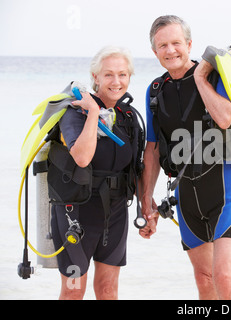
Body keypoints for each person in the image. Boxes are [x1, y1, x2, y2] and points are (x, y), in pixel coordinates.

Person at [139, 15, 231, 300]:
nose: (170, 50)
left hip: (225, 185)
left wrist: (199, 77)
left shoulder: (215, 75)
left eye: (176, 43)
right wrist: (146, 199)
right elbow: (152, 149)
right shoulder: (155, 91)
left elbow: (225, 117)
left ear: (189, 44)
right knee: (204, 278)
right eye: (163, 45)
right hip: (186, 193)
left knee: (224, 274)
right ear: (154, 52)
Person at [50, 46, 142, 300]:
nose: (116, 81)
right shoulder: (74, 111)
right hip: (76, 210)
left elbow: (137, 167)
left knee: (107, 290)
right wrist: (92, 112)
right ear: (95, 77)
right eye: (109, 74)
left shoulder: (128, 117)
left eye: (122, 75)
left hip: (115, 212)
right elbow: (81, 157)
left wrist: (147, 207)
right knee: (73, 291)